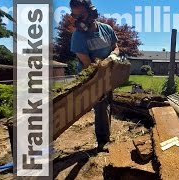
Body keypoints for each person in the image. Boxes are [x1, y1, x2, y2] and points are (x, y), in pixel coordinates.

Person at [69, 0, 120, 152]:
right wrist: (101, 72)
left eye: (80, 15)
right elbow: (87, 64)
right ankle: (102, 141)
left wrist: (112, 56)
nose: (77, 20)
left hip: (108, 73)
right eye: (74, 15)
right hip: (90, 76)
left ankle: (106, 133)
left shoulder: (106, 29)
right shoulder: (78, 36)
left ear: (92, 13)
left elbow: (115, 47)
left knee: (107, 102)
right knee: (101, 104)